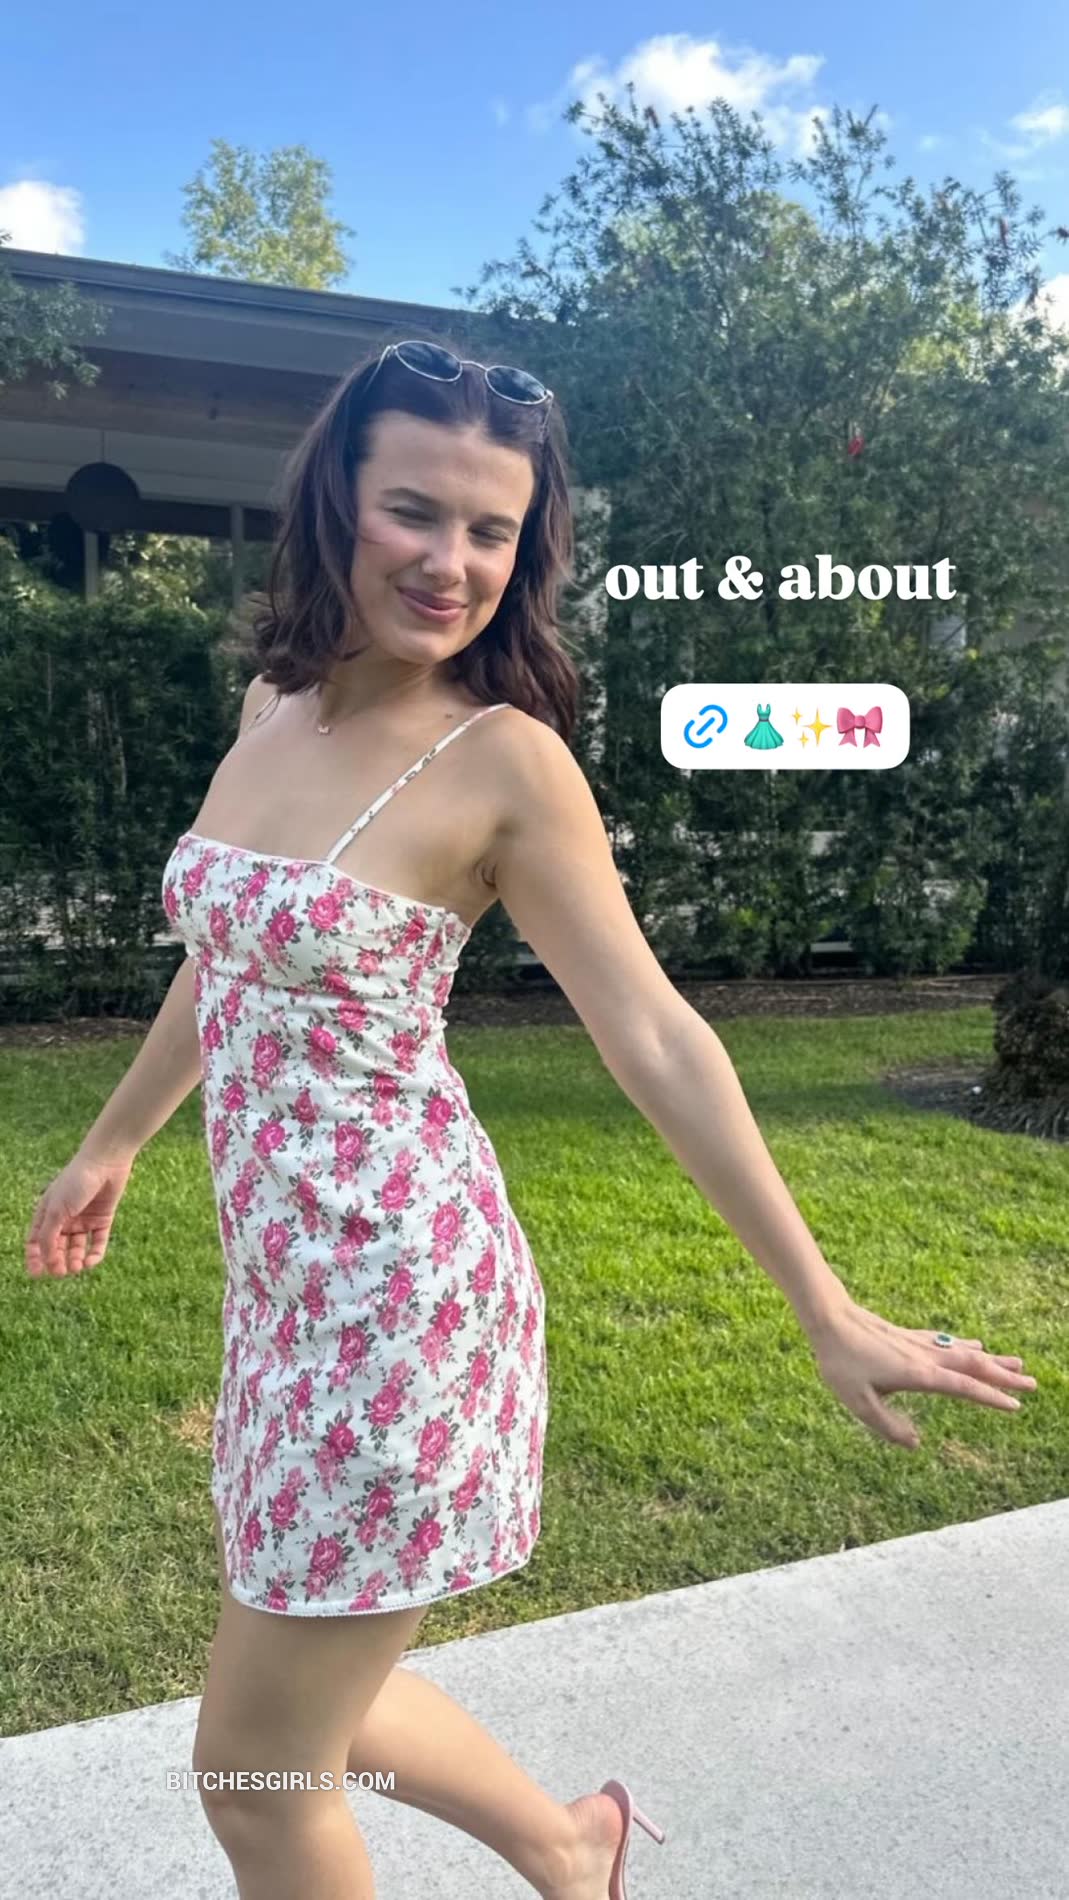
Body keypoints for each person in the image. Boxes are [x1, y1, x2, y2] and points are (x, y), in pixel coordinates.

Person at [24, 337, 1036, 1900]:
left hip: (401, 1303)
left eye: (488, 530)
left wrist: (822, 1304)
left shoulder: (503, 762)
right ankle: (575, 1845)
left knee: (254, 1777)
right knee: (304, 1708)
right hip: (281, 1295)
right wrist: (116, 1138)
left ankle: (569, 1846)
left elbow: (653, 1035)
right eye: (412, 510)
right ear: (335, 504)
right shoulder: (272, 703)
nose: (449, 561)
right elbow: (228, 957)